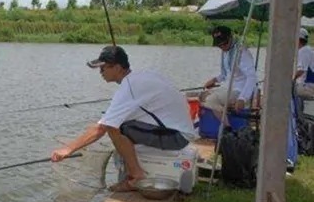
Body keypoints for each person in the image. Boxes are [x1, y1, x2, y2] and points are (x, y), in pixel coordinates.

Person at [50, 45, 197, 192]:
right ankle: (132, 171)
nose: (101, 72)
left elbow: (102, 128)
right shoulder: (142, 76)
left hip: (177, 137)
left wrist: (68, 149)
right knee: (117, 124)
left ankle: (136, 176)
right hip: (180, 130)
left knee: (116, 129)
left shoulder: (129, 87)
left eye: (104, 68)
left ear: (118, 67)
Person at [201, 26, 257, 124]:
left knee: (211, 100)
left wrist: (242, 98)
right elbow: (225, 74)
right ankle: (223, 114)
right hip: (228, 88)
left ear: (231, 37)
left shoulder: (241, 52)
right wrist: (214, 80)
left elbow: (251, 77)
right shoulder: (226, 52)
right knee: (202, 96)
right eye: (219, 45)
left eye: (224, 43)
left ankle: (227, 128)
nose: (223, 47)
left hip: (239, 90)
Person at [294, 27, 314, 100]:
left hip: (309, 86)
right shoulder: (308, 50)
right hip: (310, 85)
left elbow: (301, 71)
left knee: (285, 88)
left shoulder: (303, 51)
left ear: (298, 40)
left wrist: (292, 79)